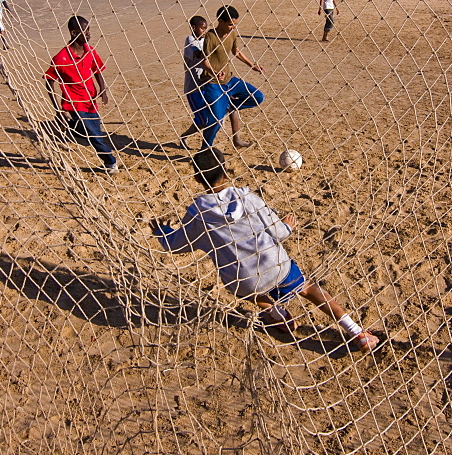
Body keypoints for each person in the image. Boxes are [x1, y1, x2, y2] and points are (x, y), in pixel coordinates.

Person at [151, 147, 379, 353]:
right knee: (309, 289)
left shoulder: (197, 214)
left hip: (242, 281)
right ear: (227, 170)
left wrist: (162, 231)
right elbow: (278, 233)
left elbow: (177, 245)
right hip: (274, 266)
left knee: (247, 285)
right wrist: (287, 226)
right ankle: (357, 332)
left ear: (197, 178)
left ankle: (278, 315)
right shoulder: (247, 198)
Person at [44, 16, 118, 173]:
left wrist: (103, 89)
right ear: (73, 32)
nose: (89, 34)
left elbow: (97, 69)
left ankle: (69, 127)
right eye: (85, 30)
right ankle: (111, 162)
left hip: (90, 101)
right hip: (74, 103)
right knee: (93, 136)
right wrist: (58, 109)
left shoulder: (90, 51)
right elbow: (49, 81)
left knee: (94, 134)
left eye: (89, 29)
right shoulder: (61, 58)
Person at [196, 6, 264, 148]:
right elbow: (203, 60)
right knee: (217, 121)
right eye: (230, 24)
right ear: (220, 21)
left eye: (234, 24)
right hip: (213, 84)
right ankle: (205, 148)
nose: (233, 27)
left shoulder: (232, 34)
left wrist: (252, 65)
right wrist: (214, 71)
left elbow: (236, 51)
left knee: (258, 97)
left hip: (230, 80)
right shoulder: (210, 36)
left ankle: (229, 105)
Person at [179, 15, 248, 150]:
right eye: (202, 28)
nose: (205, 31)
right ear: (193, 28)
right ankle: (184, 137)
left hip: (211, 84)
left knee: (231, 104)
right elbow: (200, 55)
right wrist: (213, 46)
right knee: (203, 121)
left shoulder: (208, 40)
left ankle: (237, 138)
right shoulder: (190, 41)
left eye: (206, 28)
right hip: (195, 89)